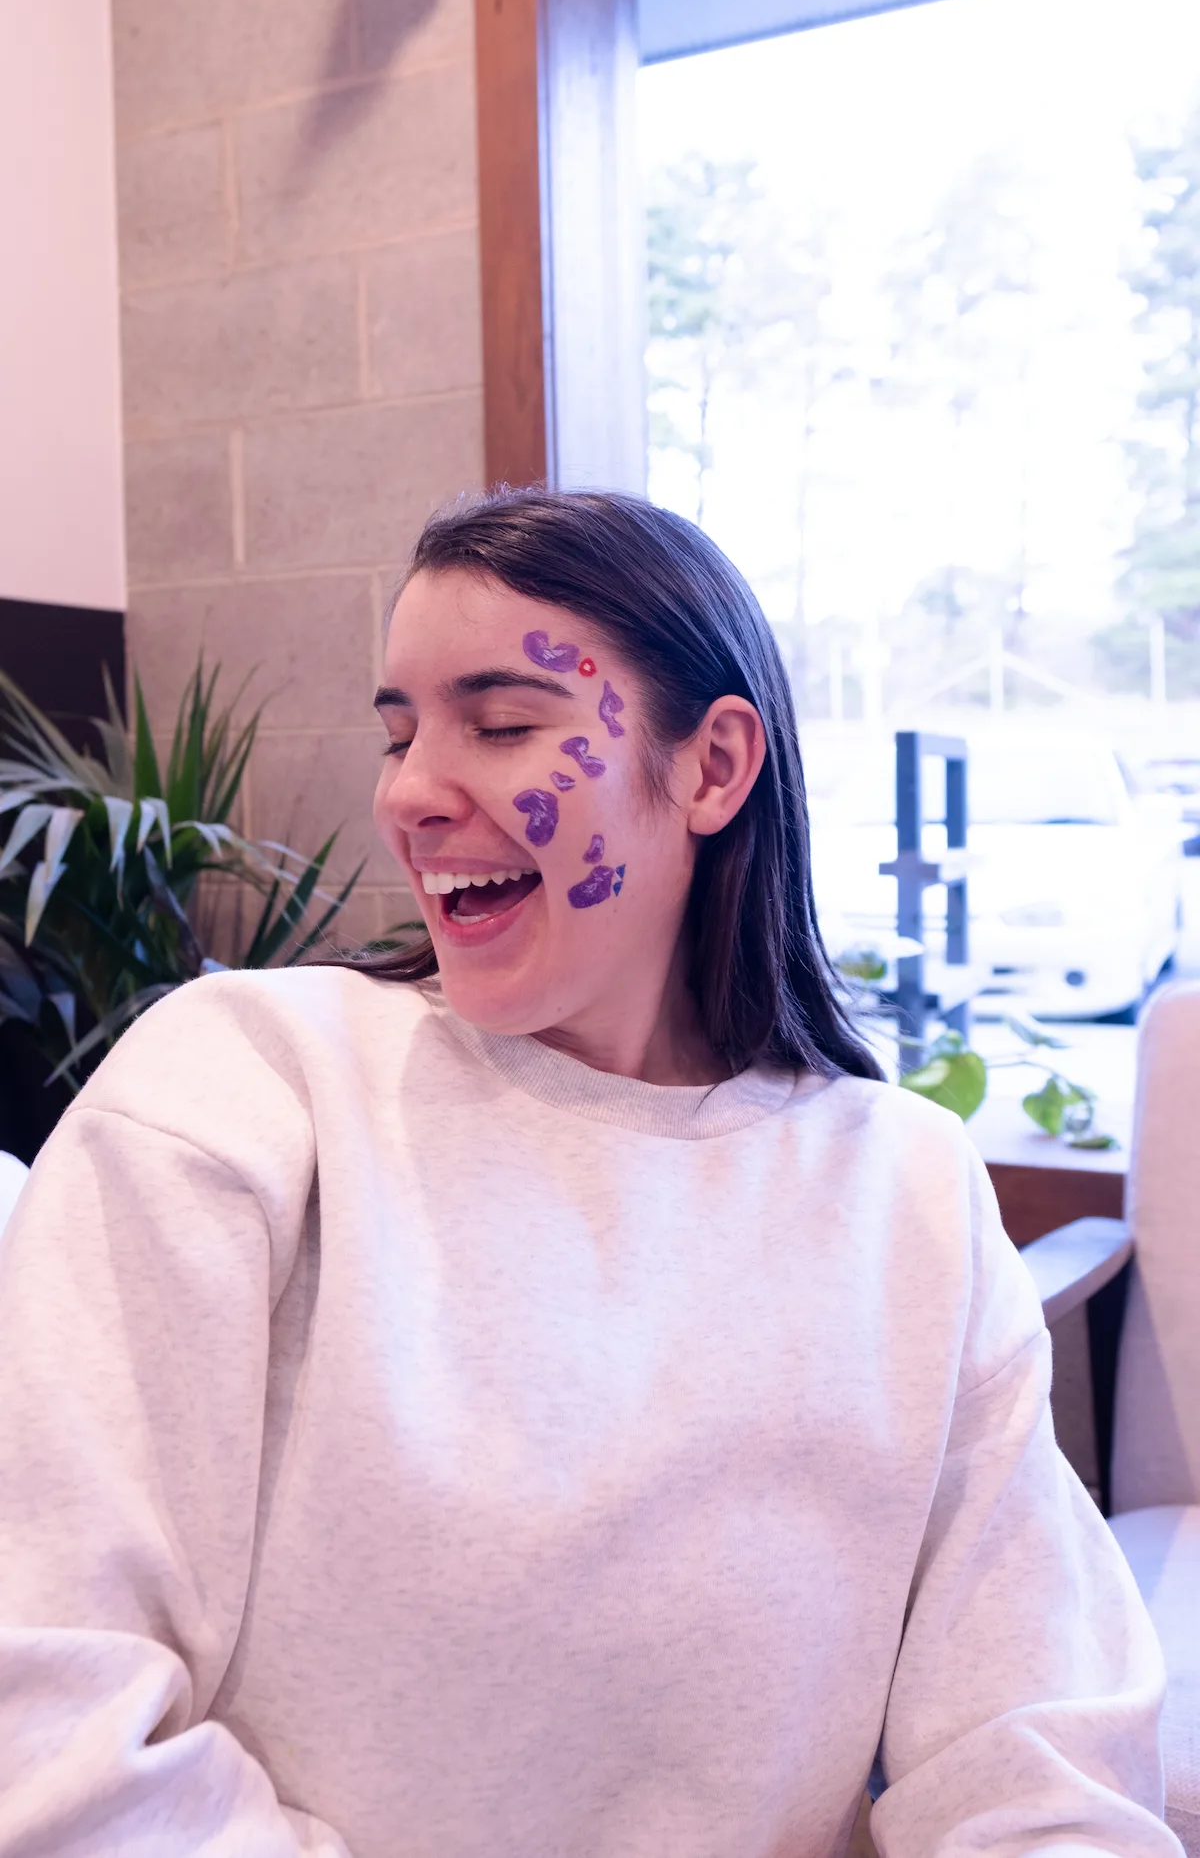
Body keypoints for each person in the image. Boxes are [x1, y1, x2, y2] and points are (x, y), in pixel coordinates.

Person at [0, 488, 1178, 1858]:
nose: (407, 794)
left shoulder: (902, 1187)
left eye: (502, 724)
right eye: (399, 733)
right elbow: (51, 1724)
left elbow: (1038, 1753)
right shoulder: (251, 1085)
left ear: (713, 767)